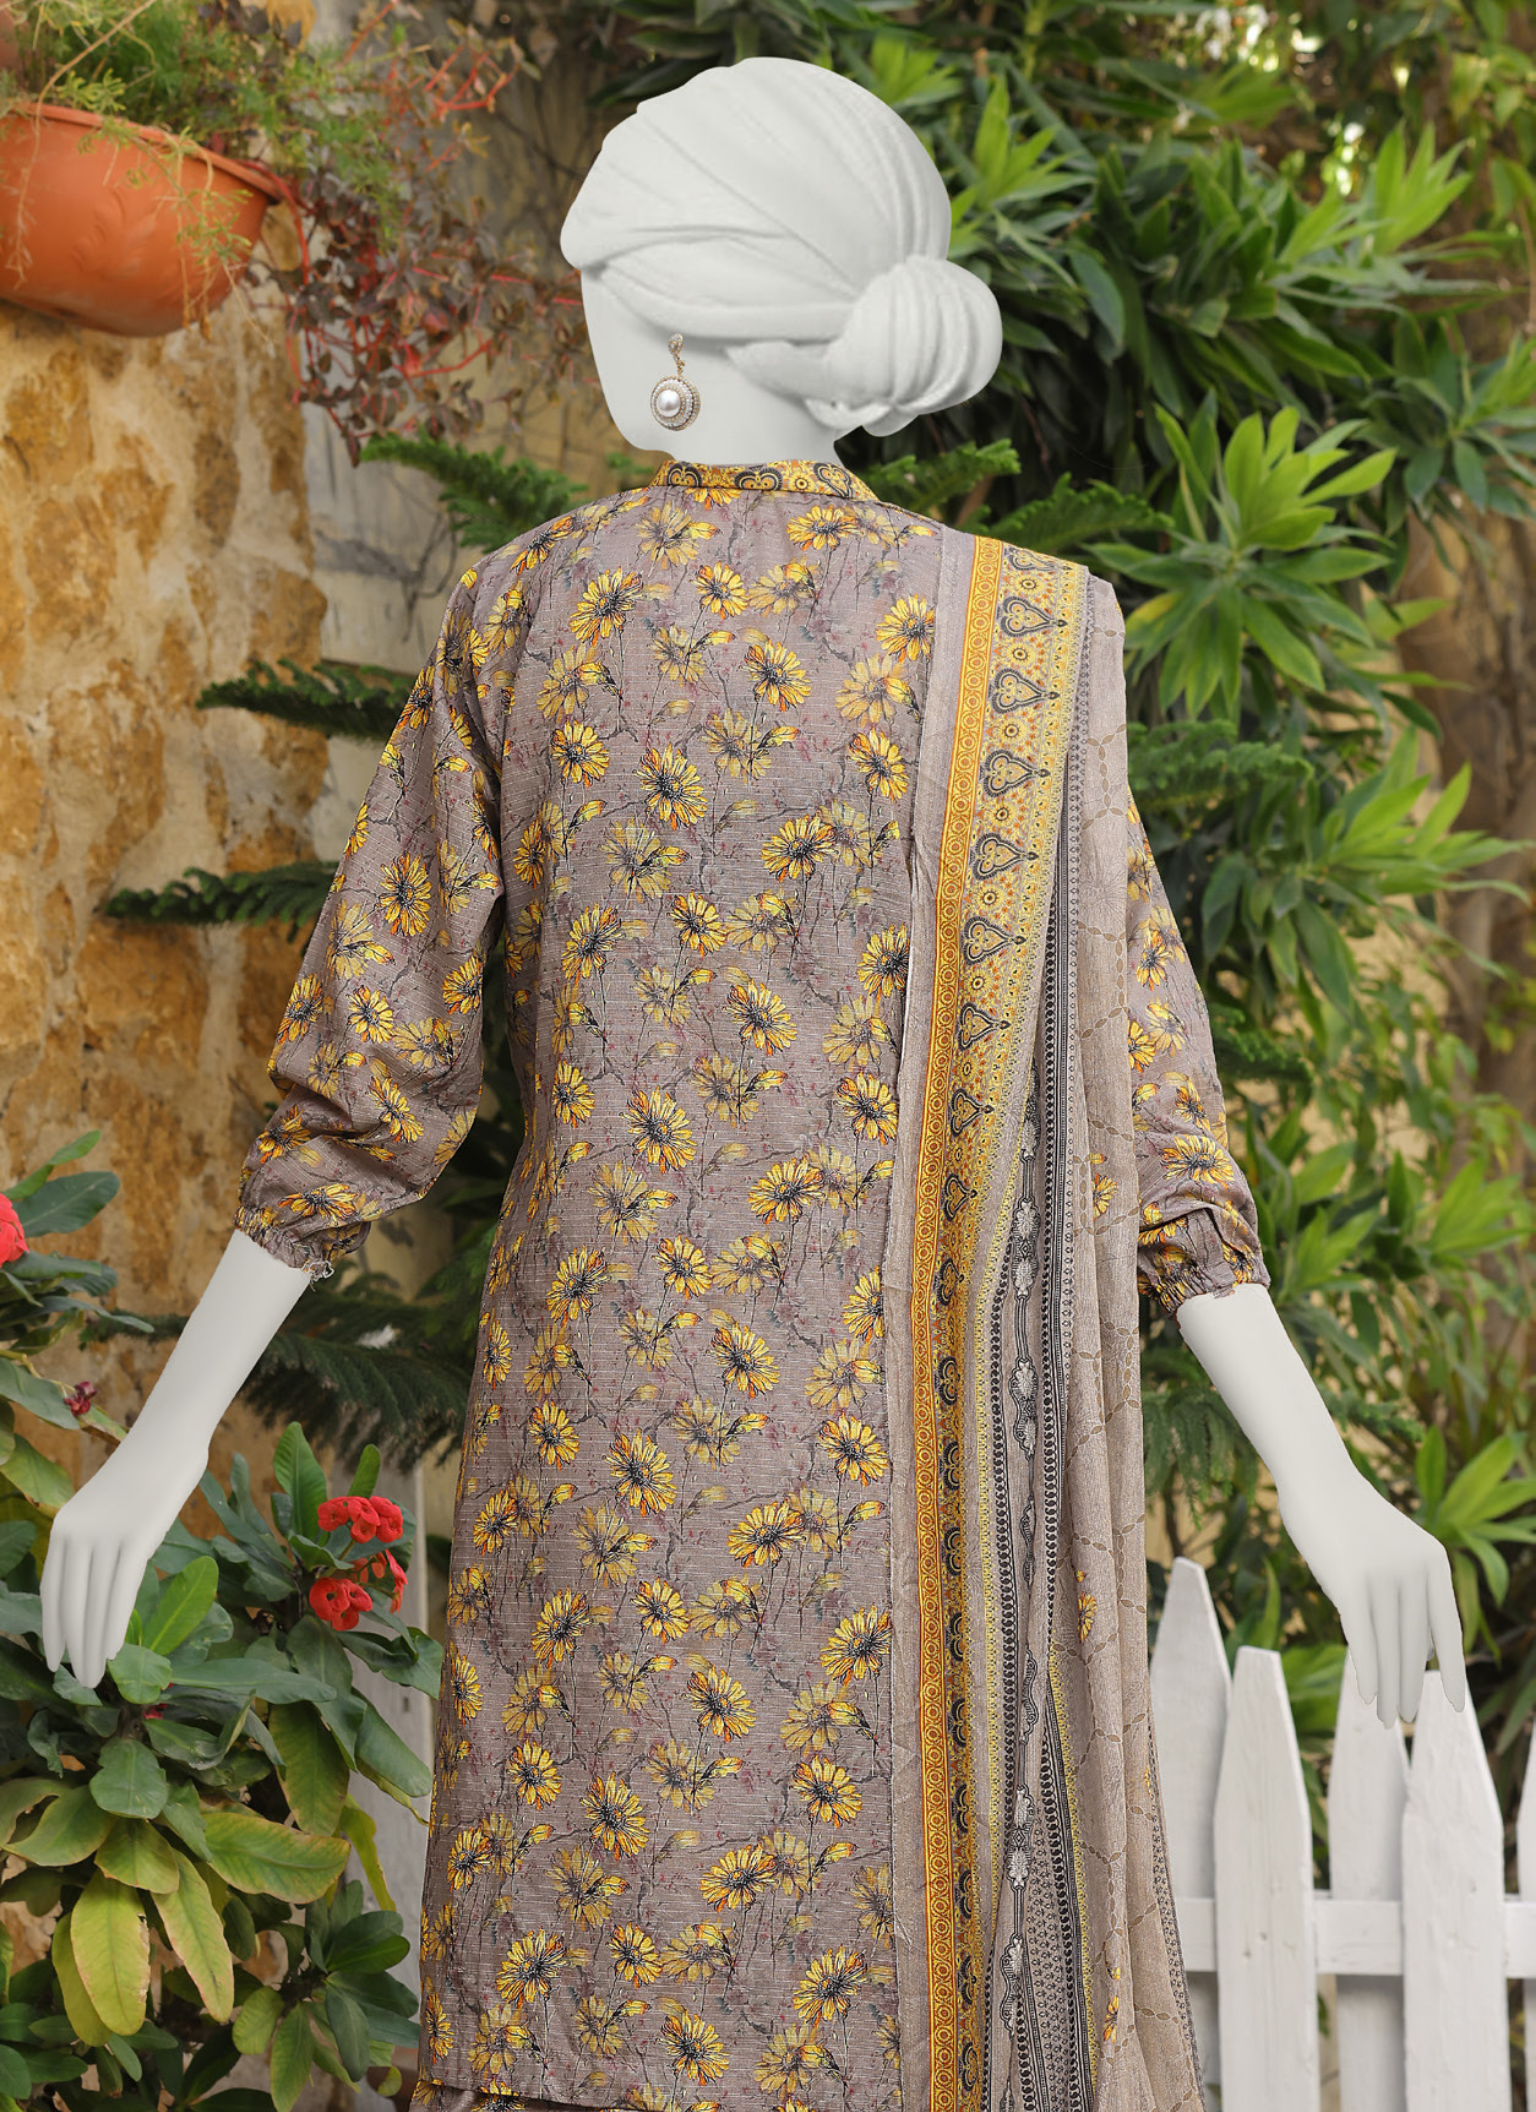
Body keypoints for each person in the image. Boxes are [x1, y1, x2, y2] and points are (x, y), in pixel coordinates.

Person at [41, 53, 1466, 2112]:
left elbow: (370, 1082)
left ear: (675, 335)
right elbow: (1159, 1111)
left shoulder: (533, 613)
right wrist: (1321, 1480)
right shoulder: (1032, 639)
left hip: (607, 1491)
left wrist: (162, 1442)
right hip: (928, 1523)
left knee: (585, 2000)